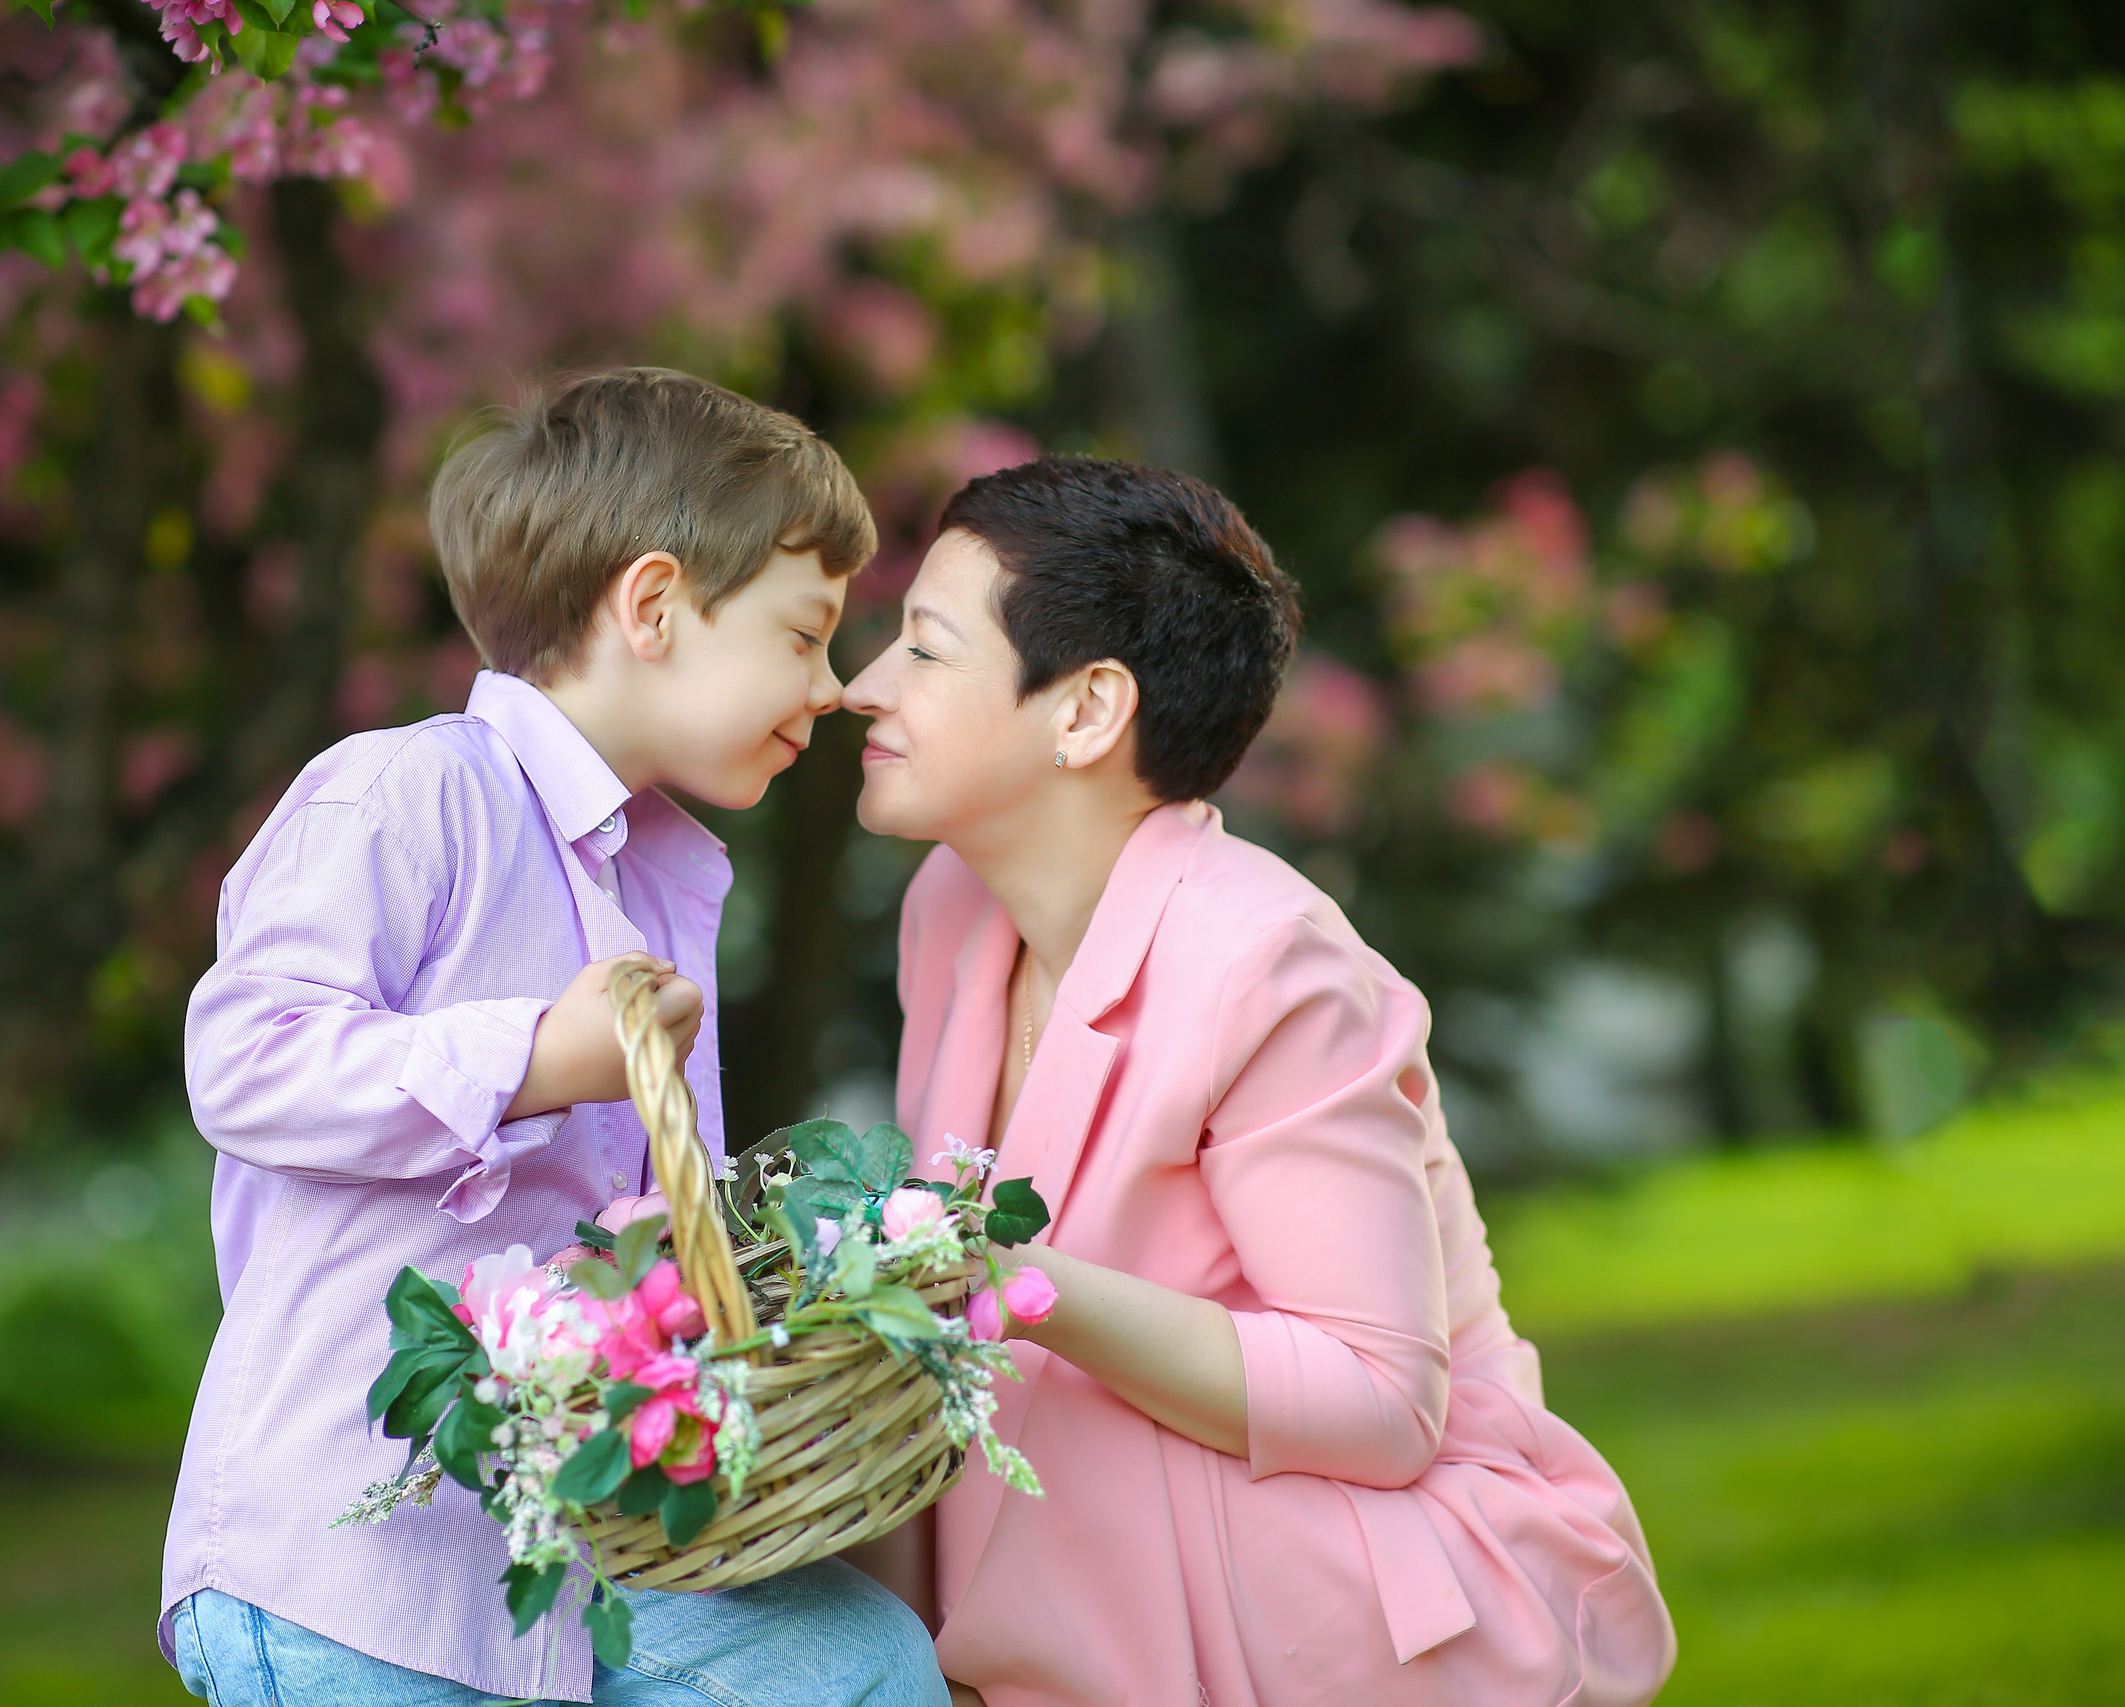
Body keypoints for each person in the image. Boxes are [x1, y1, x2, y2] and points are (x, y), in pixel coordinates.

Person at [165, 369, 946, 1706]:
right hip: (355, 1570)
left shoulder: (665, 876)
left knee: (860, 1666)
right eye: (803, 635)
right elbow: (245, 1056)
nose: (827, 688)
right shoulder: (406, 789)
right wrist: (533, 1056)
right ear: (651, 606)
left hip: (577, 1545)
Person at [840, 459, 1676, 1707]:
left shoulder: (1268, 965)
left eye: (924, 649)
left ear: (1083, 713)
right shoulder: (952, 908)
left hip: (1324, 1621)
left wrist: (1011, 1279)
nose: (863, 688)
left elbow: (1381, 1398)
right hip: (1062, 1586)